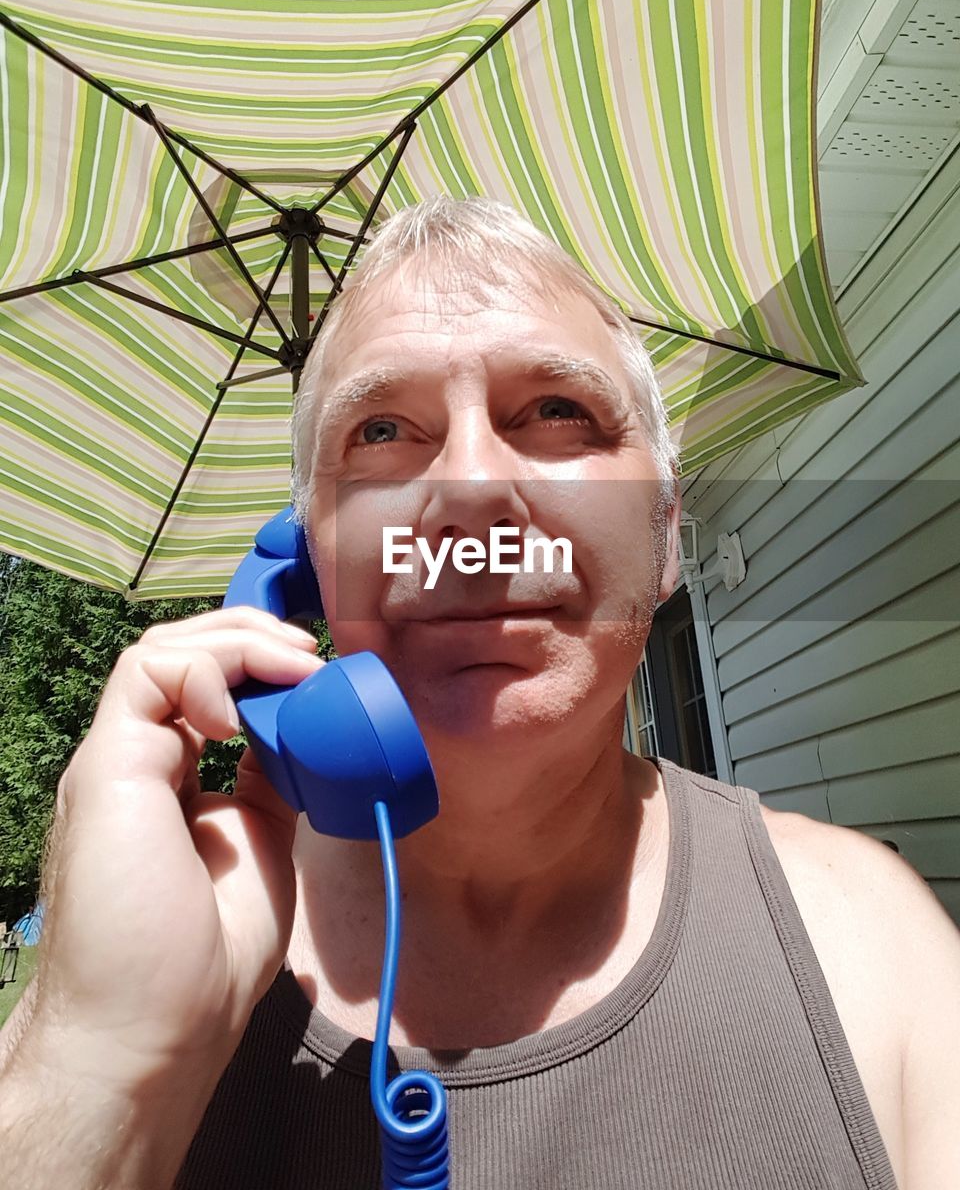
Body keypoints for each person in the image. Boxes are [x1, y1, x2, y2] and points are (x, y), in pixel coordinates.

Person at [0, 197, 956, 1189]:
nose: (466, 493)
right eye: (381, 429)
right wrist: (98, 1062)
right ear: (308, 566)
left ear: (667, 532)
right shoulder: (167, 948)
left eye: (557, 411)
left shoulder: (873, 941)